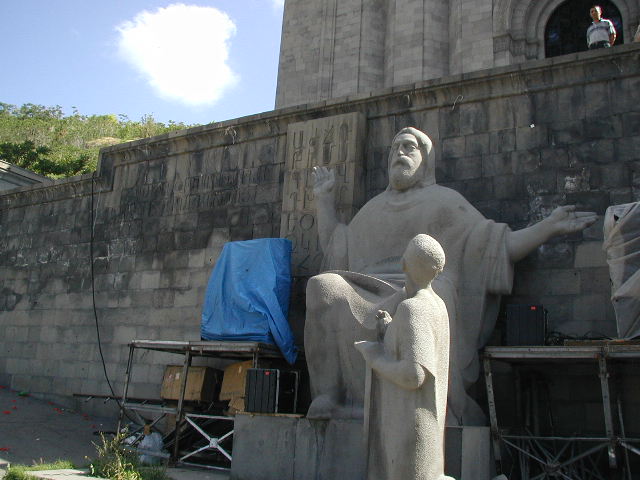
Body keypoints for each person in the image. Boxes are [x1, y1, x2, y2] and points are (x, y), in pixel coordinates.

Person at [304, 127, 597, 425]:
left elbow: (493, 245)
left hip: (419, 286)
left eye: (409, 147)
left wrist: (548, 227)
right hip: (367, 287)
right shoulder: (371, 210)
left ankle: (422, 403)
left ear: (425, 161)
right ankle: (330, 397)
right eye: (395, 149)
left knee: (423, 297)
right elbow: (336, 248)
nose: (400, 153)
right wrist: (324, 201)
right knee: (322, 286)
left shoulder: (445, 202)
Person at [355, 234, 452, 480]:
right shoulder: (438, 306)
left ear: (404, 265)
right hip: (424, 430)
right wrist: (390, 332)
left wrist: (374, 356)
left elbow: (413, 375)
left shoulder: (413, 309)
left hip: (409, 432)